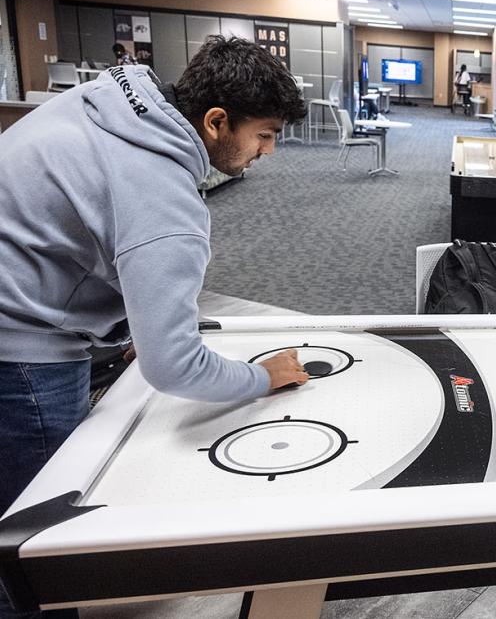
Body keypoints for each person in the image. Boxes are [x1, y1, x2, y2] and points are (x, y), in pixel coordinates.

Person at [0, 35, 310, 619]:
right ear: (216, 121)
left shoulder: (115, 98)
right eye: (264, 135)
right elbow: (172, 365)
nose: (269, 153)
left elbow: (84, 217)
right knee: (39, 549)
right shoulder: (164, 201)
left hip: (16, 288)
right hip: (22, 343)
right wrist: (260, 377)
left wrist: (119, 329)